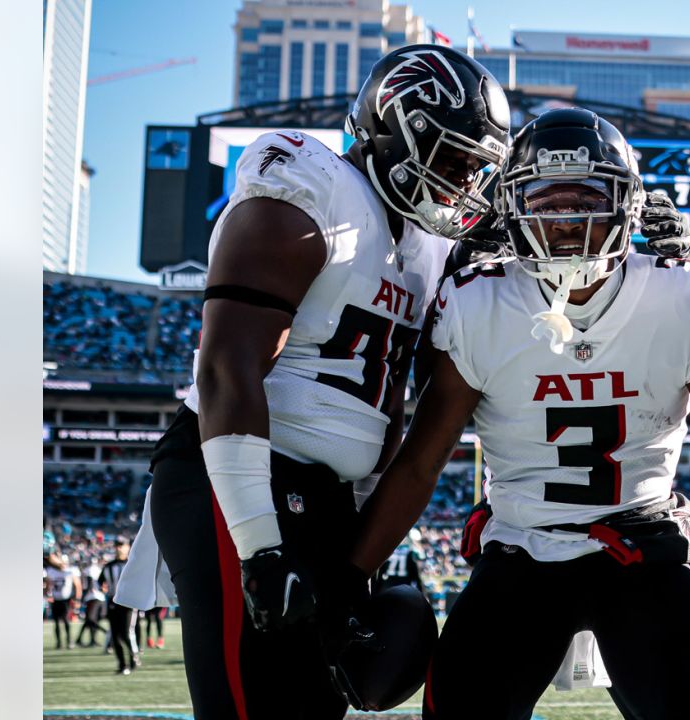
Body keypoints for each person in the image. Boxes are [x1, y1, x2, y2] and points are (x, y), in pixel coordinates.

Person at [348, 108, 690, 720]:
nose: (567, 219)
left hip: (640, 549)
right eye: (546, 202)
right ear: (512, 208)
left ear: (627, 204)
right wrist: (348, 581)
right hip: (522, 551)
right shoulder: (480, 302)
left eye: (584, 199)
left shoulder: (680, 295)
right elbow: (420, 464)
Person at [131, 44, 511, 720]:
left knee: (313, 707)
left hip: (327, 499)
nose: (463, 184)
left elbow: (397, 409)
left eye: (475, 169)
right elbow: (228, 367)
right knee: (246, 706)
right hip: (237, 481)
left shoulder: (431, 250)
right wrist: (261, 548)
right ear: (396, 135)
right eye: (452, 161)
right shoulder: (311, 187)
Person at [102, 540, 140, 675]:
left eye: (121, 545)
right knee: (115, 635)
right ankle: (122, 664)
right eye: (116, 545)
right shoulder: (108, 566)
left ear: (128, 547)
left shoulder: (132, 565)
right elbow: (102, 582)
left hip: (128, 603)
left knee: (126, 633)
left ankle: (133, 658)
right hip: (113, 603)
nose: (118, 548)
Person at [44, 552, 81, 650]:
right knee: (56, 622)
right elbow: (48, 585)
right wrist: (46, 594)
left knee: (65, 620)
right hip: (56, 599)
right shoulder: (51, 571)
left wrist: (77, 599)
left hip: (66, 599)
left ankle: (69, 641)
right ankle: (59, 642)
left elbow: (77, 585)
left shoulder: (70, 571)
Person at [374, 528, 424, 594]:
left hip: (388, 581)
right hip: (403, 583)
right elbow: (421, 557)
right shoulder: (410, 550)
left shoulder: (390, 547)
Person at [76, 556, 106, 647]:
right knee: (91, 619)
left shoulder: (90, 570)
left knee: (90, 620)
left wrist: (83, 598)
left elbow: (89, 584)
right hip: (98, 596)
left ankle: (90, 639)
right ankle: (92, 639)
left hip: (92, 597)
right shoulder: (98, 569)